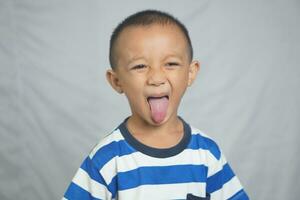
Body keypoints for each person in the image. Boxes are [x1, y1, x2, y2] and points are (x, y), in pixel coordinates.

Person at [63, 10, 249, 200]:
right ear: (117, 81)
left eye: (171, 64)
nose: (157, 78)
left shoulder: (206, 154)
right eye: (140, 66)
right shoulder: (107, 159)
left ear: (190, 73)